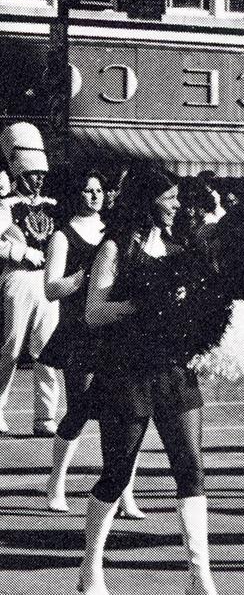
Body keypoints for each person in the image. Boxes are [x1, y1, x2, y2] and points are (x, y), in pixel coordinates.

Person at [79, 165, 219, 595]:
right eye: (170, 198)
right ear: (147, 201)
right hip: (128, 371)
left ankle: (200, 578)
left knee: (191, 471)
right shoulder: (116, 248)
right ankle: (91, 568)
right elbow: (93, 312)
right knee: (117, 474)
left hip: (176, 371)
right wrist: (139, 304)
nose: (177, 205)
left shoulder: (184, 245)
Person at [39, 170, 144, 518]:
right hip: (79, 334)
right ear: (75, 193)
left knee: (122, 416)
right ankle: (57, 483)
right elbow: (51, 289)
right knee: (81, 410)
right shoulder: (62, 236)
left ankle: (122, 490)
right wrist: (83, 277)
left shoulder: (115, 235)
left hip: (115, 334)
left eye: (99, 189)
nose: (94, 195)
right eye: (86, 190)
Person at [0, 122, 60, 436]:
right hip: (18, 277)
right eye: (31, 174)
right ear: (19, 175)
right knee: (10, 346)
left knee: (47, 347)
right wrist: (20, 253)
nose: (37, 179)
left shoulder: (52, 206)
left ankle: (45, 416)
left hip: (47, 280)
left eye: (41, 175)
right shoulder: (5, 206)